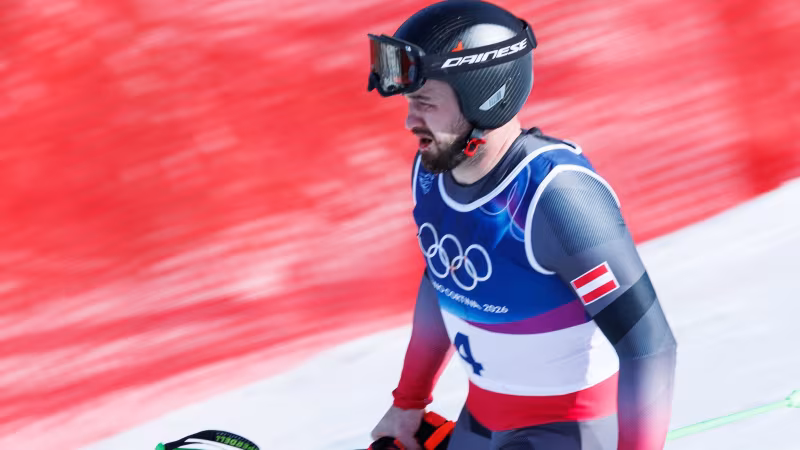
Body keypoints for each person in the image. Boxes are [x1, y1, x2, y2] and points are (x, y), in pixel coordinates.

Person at [365, 1, 678, 449]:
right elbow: (443, 279)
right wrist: (408, 403)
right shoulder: (431, 173)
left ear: (486, 97)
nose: (410, 120)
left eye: (425, 103)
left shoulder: (557, 199)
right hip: (483, 425)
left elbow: (649, 346)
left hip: (567, 434)